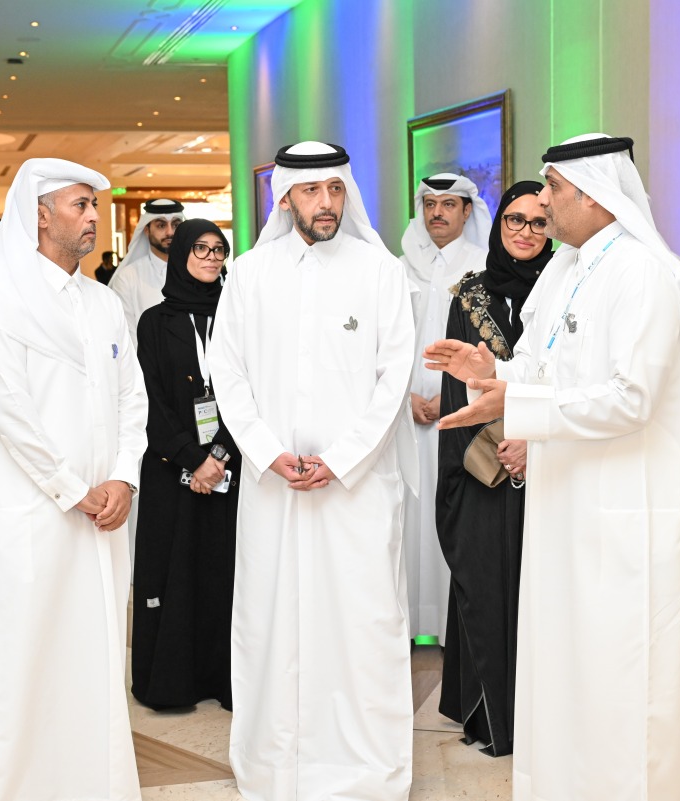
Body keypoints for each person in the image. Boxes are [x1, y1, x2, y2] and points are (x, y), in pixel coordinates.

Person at [425, 133, 680, 800]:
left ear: (591, 192)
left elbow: (630, 397)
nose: (542, 202)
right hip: (561, 509)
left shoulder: (641, 273)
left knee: (617, 679)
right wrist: (491, 371)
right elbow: (543, 366)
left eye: (551, 188)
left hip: (617, 518)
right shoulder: (569, 269)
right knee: (564, 670)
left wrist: (521, 400)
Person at [208, 141, 417, 801]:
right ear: (286, 196)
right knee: (272, 623)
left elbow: (394, 377)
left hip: (354, 489)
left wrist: (342, 457)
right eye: (310, 191)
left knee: (361, 624)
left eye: (334, 190)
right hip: (274, 488)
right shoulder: (249, 272)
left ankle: (366, 768)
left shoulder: (379, 271)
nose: (325, 203)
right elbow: (228, 373)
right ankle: (276, 763)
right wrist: (267, 451)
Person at [0, 158, 148, 801]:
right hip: (33, 516)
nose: (94, 216)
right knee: (29, 656)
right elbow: (12, 415)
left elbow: (133, 399)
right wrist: (73, 488)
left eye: (95, 205)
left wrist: (122, 477)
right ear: (39, 214)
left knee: (95, 656)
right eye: (80, 205)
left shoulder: (103, 302)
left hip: (106, 514)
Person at [435, 180, 553, 757]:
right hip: (485, 471)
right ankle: (493, 719)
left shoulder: (565, 287)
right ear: (499, 225)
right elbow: (459, 389)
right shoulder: (471, 295)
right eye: (515, 220)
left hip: (555, 465)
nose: (526, 232)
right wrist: (499, 450)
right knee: (487, 589)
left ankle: (545, 716)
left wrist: (534, 441)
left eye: (537, 221)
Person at [131, 218, 238, 711]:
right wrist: (194, 459)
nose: (212, 258)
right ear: (180, 256)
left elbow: (250, 394)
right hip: (171, 466)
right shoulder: (155, 321)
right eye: (201, 248)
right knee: (175, 569)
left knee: (225, 570)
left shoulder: (240, 317)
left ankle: (226, 677)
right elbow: (148, 399)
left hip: (231, 468)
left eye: (219, 250)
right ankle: (173, 682)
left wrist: (217, 457)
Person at [400, 171, 490, 643]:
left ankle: (452, 627)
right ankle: (413, 624)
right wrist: (404, 396)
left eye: (448, 205)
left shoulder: (483, 265)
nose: (437, 213)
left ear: (466, 212)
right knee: (409, 517)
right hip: (406, 415)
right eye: (430, 204)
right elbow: (388, 343)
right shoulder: (400, 265)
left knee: (454, 514)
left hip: (463, 414)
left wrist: (450, 396)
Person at [108, 198, 185, 344]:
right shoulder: (128, 277)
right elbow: (128, 337)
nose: (170, 232)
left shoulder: (197, 272)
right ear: (146, 230)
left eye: (176, 224)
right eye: (161, 225)